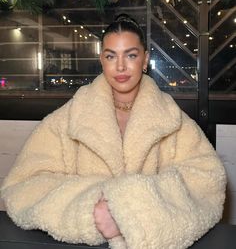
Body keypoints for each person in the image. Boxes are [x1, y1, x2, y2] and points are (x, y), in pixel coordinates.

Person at [1, 14, 226, 249]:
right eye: (111, 56)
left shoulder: (171, 119)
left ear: (145, 59)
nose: (120, 66)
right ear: (102, 60)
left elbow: (207, 182)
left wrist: (130, 209)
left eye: (131, 55)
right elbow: (22, 186)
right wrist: (91, 208)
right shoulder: (69, 118)